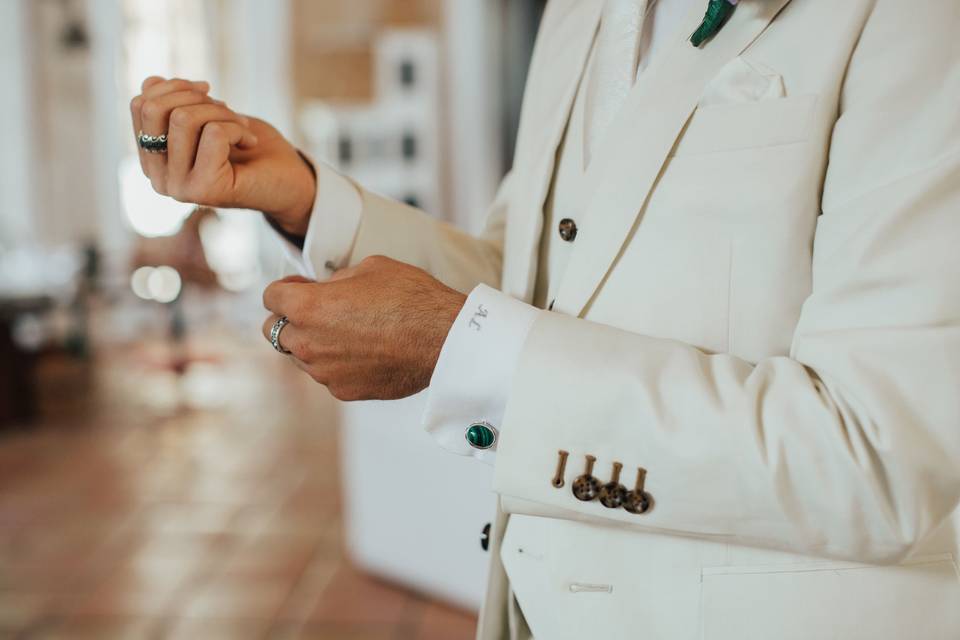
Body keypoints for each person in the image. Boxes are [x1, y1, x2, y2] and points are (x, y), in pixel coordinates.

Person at [129, 0, 960, 637]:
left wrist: (459, 350)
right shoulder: (578, 13)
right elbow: (530, 281)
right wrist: (309, 201)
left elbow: (881, 455)